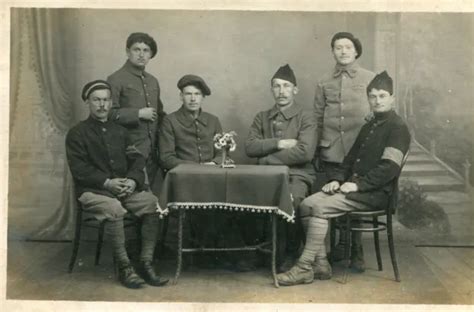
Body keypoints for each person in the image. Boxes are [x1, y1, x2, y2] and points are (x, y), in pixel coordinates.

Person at [277, 71, 411, 286]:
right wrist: (338, 180)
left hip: (377, 194)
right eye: (373, 96)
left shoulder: (397, 128)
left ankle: (303, 268)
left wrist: (358, 185)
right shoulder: (369, 125)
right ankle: (320, 264)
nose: (377, 101)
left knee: (319, 209)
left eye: (382, 96)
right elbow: (349, 160)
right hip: (358, 189)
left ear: (392, 98)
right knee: (306, 204)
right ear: (368, 98)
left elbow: (389, 168)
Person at [66, 80, 168, 289]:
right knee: (114, 209)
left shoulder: (121, 131)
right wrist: (107, 182)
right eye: (96, 100)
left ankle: (146, 263)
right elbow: (80, 169)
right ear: (88, 102)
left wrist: (132, 180)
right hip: (93, 192)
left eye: (105, 100)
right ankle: (125, 267)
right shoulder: (77, 133)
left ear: (111, 103)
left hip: (123, 188)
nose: (102, 105)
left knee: (151, 203)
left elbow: (136, 160)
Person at [159, 75, 249, 270]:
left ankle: (231, 254)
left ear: (202, 97)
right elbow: (166, 157)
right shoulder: (170, 121)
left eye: (197, 94)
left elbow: (221, 153)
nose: (193, 99)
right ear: (181, 96)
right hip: (185, 181)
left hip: (213, 178)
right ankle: (206, 255)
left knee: (235, 203)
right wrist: (197, 168)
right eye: (188, 94)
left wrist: (215, 163)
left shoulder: (213, 120)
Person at [245, 64, 317, 272]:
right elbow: (249, 146)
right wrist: (279, 143)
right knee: (242, 195)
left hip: (298, 174)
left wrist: (266, 158)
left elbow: (304, 152)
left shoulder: (306, 117)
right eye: (276, 86)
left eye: (286, 86)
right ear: (271, 90)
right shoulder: (262, 117)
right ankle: (259, 250)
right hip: (265, 176)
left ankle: (290, 253)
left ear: (295, 90)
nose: (281, 91)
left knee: (292, 198)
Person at [313, 32, 376, 270]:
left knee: (353, 197)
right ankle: (340, 247)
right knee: (332, 198)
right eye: (338, 47)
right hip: (332, 150)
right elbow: (318, 118)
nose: (343, 51)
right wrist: (318, 149)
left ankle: (356, 250)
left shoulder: (370, 78)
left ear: (356, 51)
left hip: (358, 150)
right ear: (333, 52)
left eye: (348, 47)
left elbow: (377, 111)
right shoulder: (324, 82)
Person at [107, 32, 165, 189]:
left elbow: (160, 114)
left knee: (152, 196)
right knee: (133, 196)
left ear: (151, 54)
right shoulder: (115, 79)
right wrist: (138, 114)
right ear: (127, 51)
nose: (141, 54)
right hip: (129, 152)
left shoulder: (152, 81)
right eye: (136, 49)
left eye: (146, 50)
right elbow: (107, 114)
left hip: (153, 152)